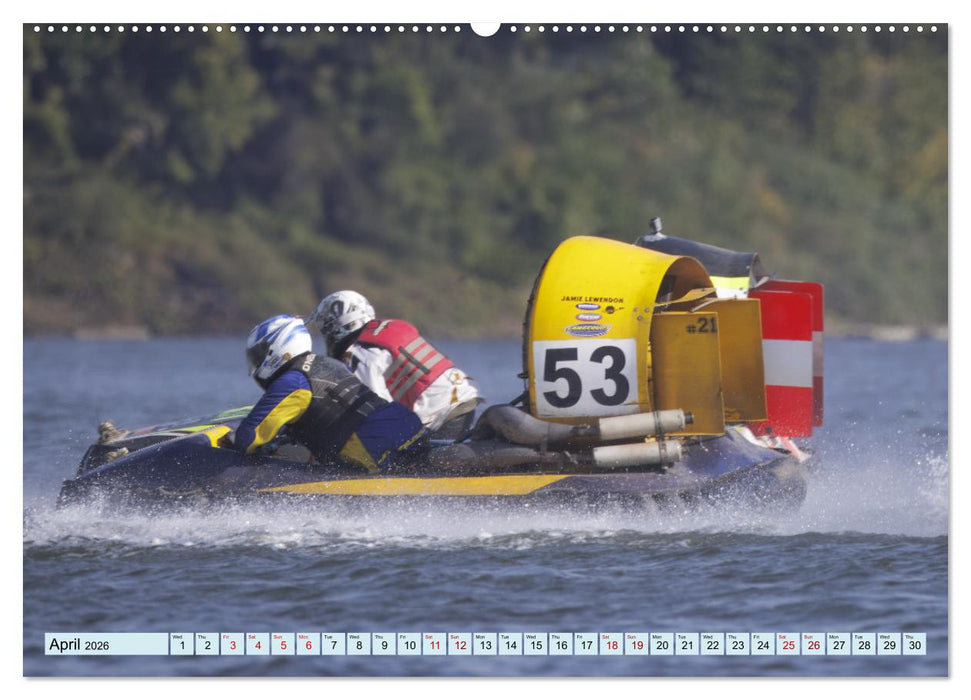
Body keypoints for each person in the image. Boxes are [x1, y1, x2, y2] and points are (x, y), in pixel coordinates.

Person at [232, 314, 428, 473]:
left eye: (258, 356)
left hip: (371, 447)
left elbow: (248, 437)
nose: (256, 363)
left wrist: (226, 441)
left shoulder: (292, 382)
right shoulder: (328, 363)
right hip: (405, 424)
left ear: (278, 349)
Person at [307, 290, 482, 440]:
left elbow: (377, 408)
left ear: (335, 328)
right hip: (463, 399)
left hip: (441, 416)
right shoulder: (394, 327)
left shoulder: (360, 352)